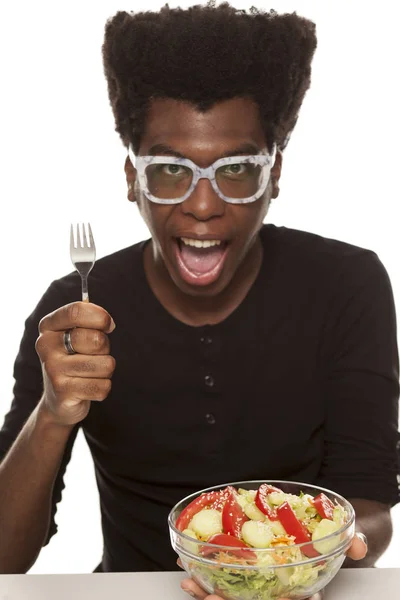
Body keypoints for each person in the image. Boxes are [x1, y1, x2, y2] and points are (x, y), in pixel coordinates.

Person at [0, 2, 398, 599]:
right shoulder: (74, 310)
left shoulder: (347, 284)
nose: (204, 205)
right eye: (168, 171)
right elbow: (5, 559)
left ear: (275, 175)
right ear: (132, 178)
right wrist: (52, 414)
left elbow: (366, 508)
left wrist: (287, 571)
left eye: (236, 169)